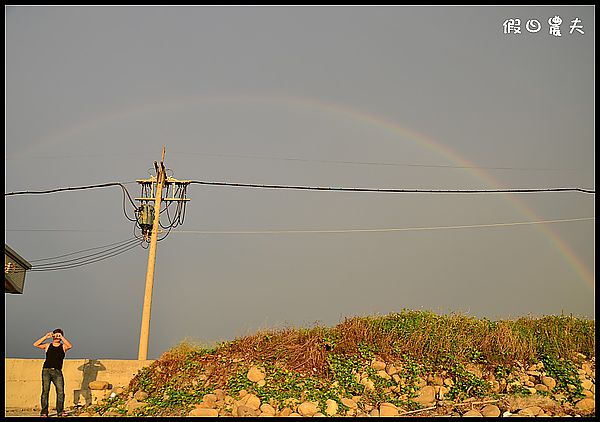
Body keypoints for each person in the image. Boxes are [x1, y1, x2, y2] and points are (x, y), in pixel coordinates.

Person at [34, 329, 73, 417]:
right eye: (55, 335)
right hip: (46, 371)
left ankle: (60, 411)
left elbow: (70, 346)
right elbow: (35, 344)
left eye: (58, 335)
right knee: (45, 391)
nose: (56, 337)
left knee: (60, 392)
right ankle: (44, 412)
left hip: (57, 371)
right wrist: (46, 336)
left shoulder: (63, 347)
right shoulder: (48, 345)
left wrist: (62, 337)